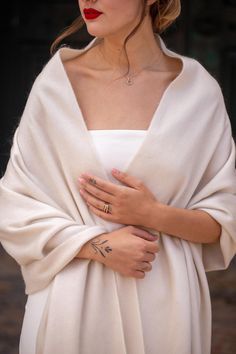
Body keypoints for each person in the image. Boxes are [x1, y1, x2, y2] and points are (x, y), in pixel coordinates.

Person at [0, 0, 236, 353]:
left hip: (167, 305)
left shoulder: (198, 91)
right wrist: (100, 248)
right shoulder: (56, 85)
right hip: (72, 302)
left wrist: (152, 213)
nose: (88, 1)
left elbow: (224, 222)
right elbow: (15, 207)